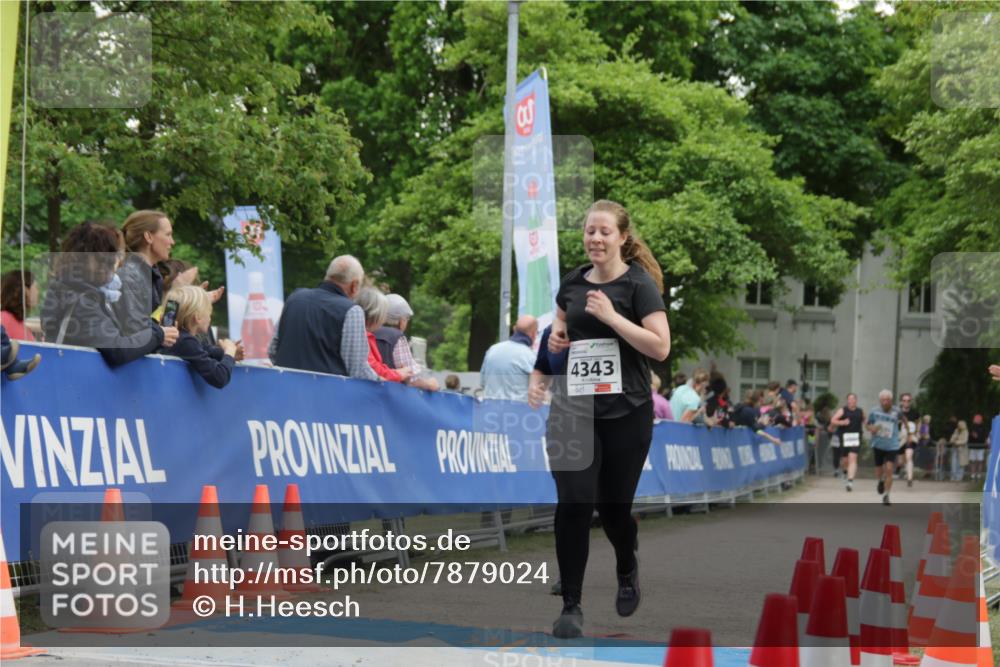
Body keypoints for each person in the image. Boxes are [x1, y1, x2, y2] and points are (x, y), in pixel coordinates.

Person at [527, 199, 670, 639]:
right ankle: (571, 603)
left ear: (623, 238)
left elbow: (660, 348)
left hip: (626, 412)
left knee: (613, 512)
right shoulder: (571, 284)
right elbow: (558, 337)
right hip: (573, 409)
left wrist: (611, 317)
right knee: (573, 501)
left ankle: (626, 564)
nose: (595, 238)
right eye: (590, 231)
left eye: (605, 231)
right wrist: (541, 370)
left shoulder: (639, 286)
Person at [41, 221, 179, 365]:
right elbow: (118, 350)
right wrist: (158, 335)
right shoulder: (82, 302)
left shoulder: (77, 294)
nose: (118, 263)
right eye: (115, 256)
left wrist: (156, 330)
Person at [272, 256, 379, 380]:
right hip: (326, 394)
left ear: (328, 276)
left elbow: (273, 349)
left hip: (284, 389)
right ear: (354, 286)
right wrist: (381, 381)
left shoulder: (295, 298)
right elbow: (357, 369)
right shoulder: (351, 311)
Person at [160, 286, 239, 389]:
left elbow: (204, 349)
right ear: (198, 317)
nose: (210, 318)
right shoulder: (185, 341)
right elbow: (220, 377)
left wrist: (228, 355)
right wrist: (230, 351)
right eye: (209, 313)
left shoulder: (179, 338)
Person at [115, 210, 175, 337]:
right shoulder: (128, 276)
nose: (172, 242)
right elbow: (135, 331)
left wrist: (193, 301)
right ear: (148, 237)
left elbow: (152, 323)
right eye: (168, 235)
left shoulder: (149, 275)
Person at [374, 293, 438, 391]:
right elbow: (412, 379)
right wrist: (430, 384)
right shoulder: (397, 337)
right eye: (407, 318)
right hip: (390, 395)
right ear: (401, 320)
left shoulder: (368, 331)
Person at [356, 286, 413, 384]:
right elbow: (372, 367)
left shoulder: (367, 335)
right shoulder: (362, 336)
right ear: (375, 315)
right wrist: (398, 374)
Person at [480, 315, 538, 401]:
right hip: (517, 411)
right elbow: (537, 391)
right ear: (533, 334)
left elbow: (483, 382)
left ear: (514, 329)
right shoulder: (530, 357)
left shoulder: (492, 350)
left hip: (490, 409)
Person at [866, 389, 902, 505]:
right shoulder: (874, 411)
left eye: (887, 400)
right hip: (878, 443)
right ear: (880, 400)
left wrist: (909, 433)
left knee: (890, 469)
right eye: (883, 400)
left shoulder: (897, 411)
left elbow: (904, 421)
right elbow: (867, 424)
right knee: (879, 469)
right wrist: (871, 428)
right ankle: (880, 481)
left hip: (892, 445)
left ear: (891, 400)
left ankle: (886, 496)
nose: (885, 402)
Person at [829, 393, 864, 492]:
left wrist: (871, 427)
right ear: (847, 400)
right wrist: (842, 422)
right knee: (845, 460)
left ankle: (850, 481)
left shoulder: (860, 411)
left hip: (856, 437)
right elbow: (833, 420)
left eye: (853, 399)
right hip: (844, 437)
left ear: (856, 400)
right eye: (849, 399)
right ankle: (845, 471)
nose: (851, 401)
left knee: (853, 457)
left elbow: (866, 421)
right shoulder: (843, 410)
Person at [1, 271, 39, 341]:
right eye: (35, 287)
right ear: (25, 290)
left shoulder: (18, 321)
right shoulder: (4, 319)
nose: (37, 292)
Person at [897, 392, 920, 487]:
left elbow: (919, 422)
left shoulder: (915, 412)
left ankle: (910, 479)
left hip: (911, 437)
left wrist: (916, 433)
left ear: (911, 401)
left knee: (909, 456)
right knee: (901, 461)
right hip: (900, 438)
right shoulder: (897, 413)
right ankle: (900, 467)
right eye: (904, 400)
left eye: (908, 400)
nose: (906, 402)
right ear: (901, 401)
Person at [967, 415, 987, 481]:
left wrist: (977, 437)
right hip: (973, 447)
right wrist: (972, 436)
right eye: (975, 419)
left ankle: (979, 475)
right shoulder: (971, 427)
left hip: (980, 447)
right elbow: (969, 437)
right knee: (973, 461)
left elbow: (984, 438)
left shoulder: (983, 428)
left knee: (980, 461)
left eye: (977, 419)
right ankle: (973, 475)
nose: (975, 420)